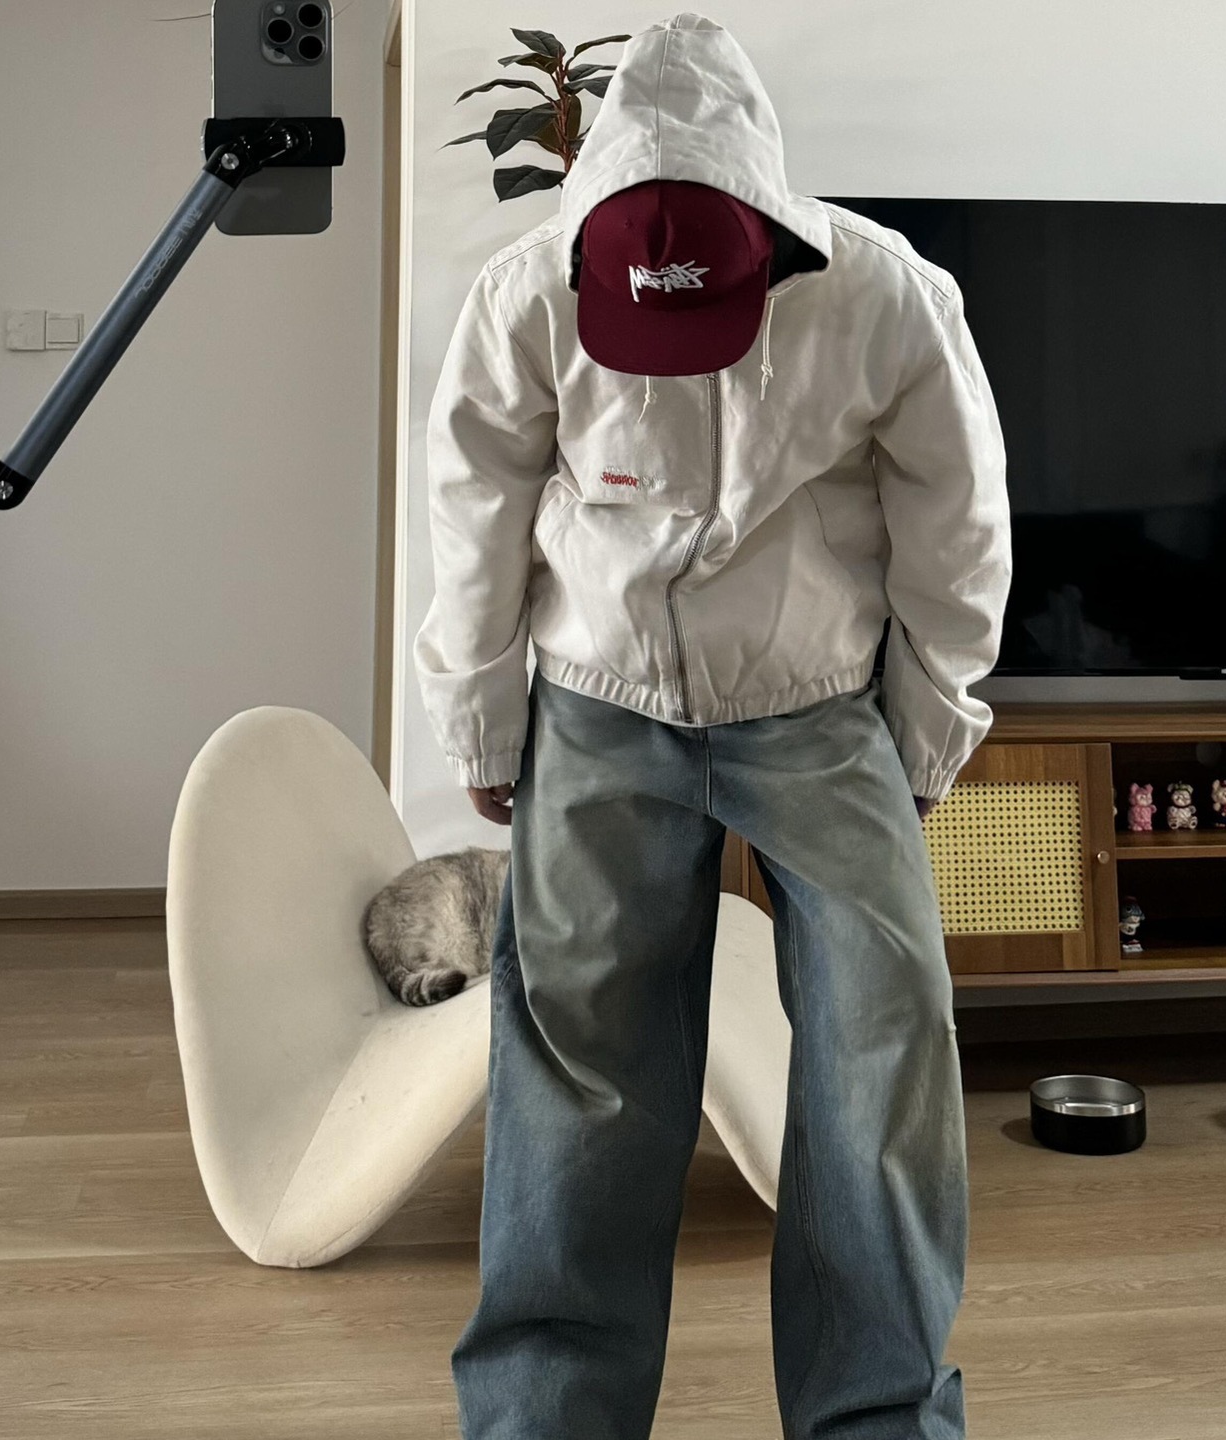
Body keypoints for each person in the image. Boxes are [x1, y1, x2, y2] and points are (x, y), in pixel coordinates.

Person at [413, 12, 1011, 1439]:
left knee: (884, 1050)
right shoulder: (524, 293)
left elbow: (957, 518)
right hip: (599, 698)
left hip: (815, 706)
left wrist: (930, 722)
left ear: (772, 241)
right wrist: (483, 716)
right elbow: (476, 509)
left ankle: (877, 1419)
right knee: (580, 1073)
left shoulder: (886, 294)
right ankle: (548, 1418)